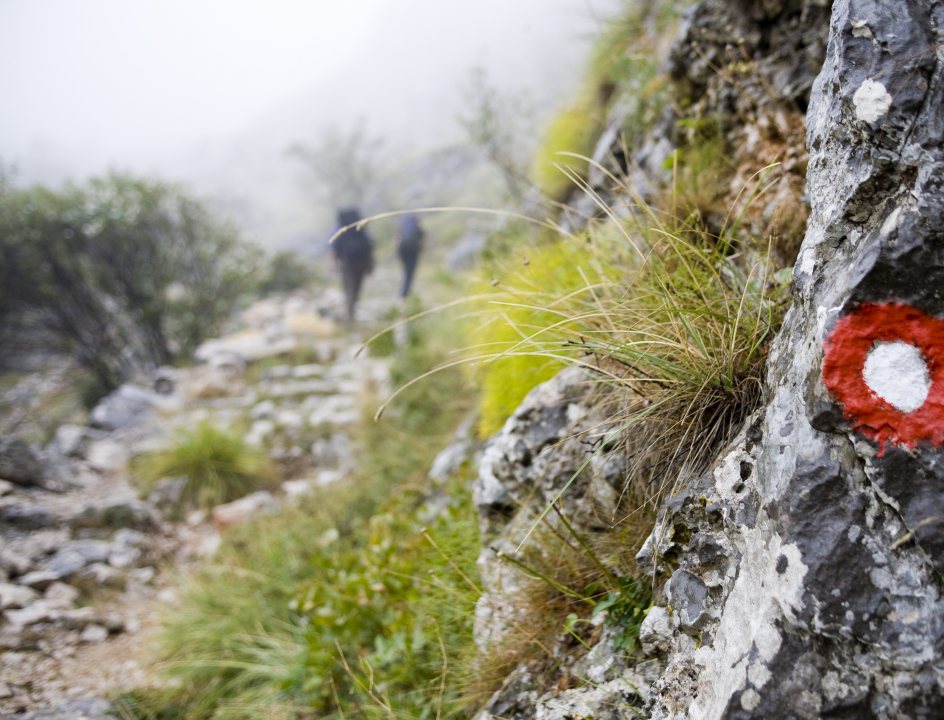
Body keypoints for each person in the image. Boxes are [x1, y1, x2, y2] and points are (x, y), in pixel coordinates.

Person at [330, 207, 374, 323]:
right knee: (356, 288)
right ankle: (352, 312)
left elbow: (333, 247)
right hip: (361, 263)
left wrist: (333, 264)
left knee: (348, 288)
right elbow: (369, 245)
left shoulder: (339, 228)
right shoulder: (361, 227)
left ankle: (350, 314)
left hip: (346, 263)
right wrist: (371, 264)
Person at [396, 213, 424, 298]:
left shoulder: (401, 229)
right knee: (410, 272)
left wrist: (397, 255)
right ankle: (405, 293)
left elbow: (397, 242)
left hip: (403, 251)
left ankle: (404, 292)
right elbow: (423, 243)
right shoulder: (418, 230)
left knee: (406, 271)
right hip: (413, 251)